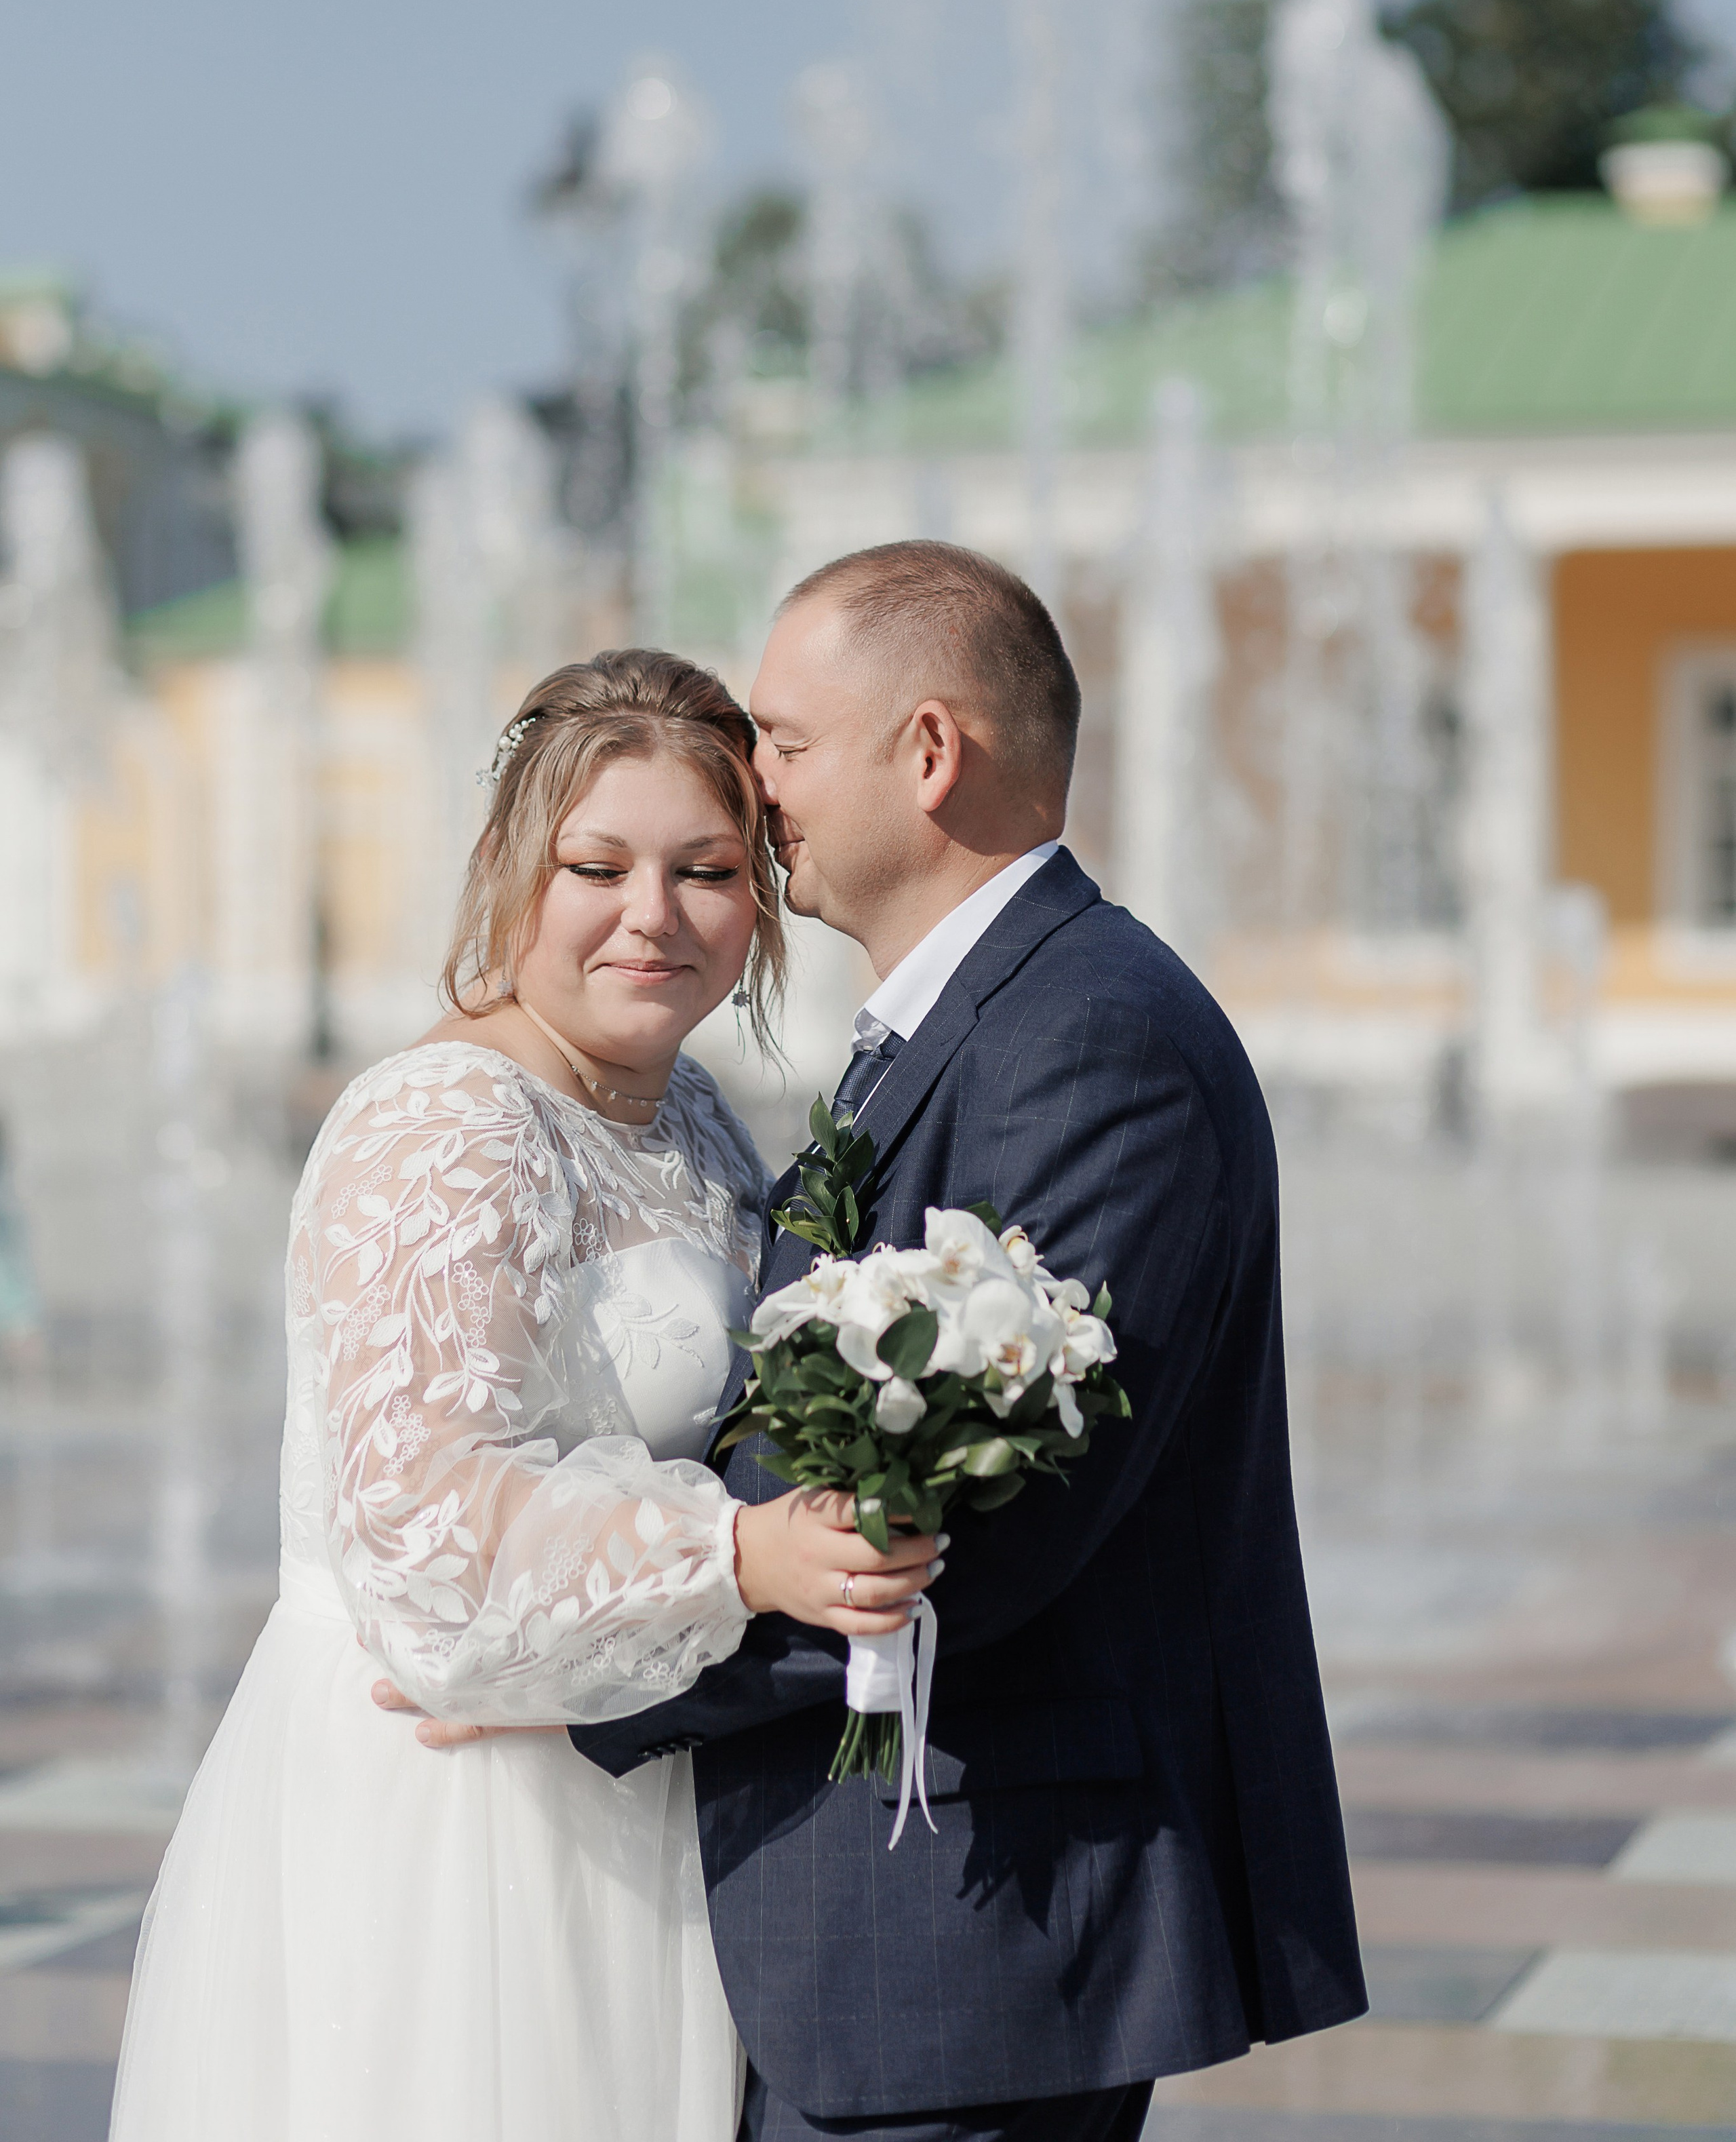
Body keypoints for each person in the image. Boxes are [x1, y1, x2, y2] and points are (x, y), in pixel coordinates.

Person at [404, 543, 1367, 2141]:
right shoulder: (967, 1018)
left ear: (927, 754)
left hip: (965, 1937)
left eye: (781, 742)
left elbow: (979, 1527)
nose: (753, 782)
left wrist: (588, 1671)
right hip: (879, 1928)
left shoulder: (1090, 1044)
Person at [108, 650, 942, 2142]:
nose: (652, 914)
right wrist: (738, 1558)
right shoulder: (449, 1127)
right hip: (449, 1819)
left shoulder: (684, 1106)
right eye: (597, 865)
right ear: (511, 869)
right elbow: (427, 1539)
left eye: (704, 870)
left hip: (619, 1762)